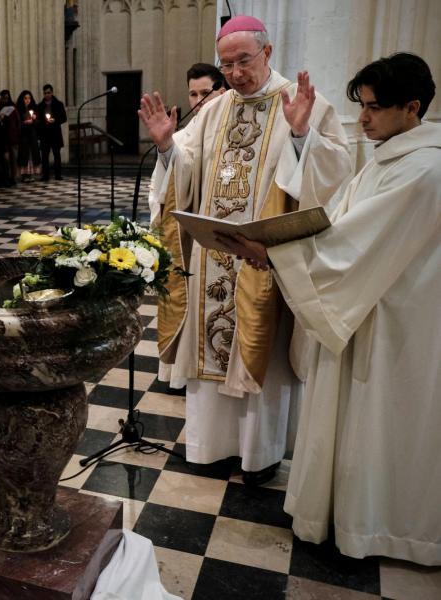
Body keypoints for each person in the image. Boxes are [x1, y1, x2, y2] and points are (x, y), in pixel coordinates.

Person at [219, 52, 440, 566]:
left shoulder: (422, 170)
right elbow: (337, 223)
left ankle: (380, 527)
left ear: (412, 107)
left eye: (373, 108)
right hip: (364, 308)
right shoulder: (393, 157)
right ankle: (341, 513)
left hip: (392, 325)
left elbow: (354, 247)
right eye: (361, 106)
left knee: (380, 422)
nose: (362, 119)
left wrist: (273, 253)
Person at [138, 15, 351, 485]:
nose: (234, 72)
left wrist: (300, 136)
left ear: (268, 53)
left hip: (265, 259)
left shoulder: (300, 104)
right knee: (210, 350)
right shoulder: (215, 108)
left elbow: (337, 169)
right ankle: (209, 447)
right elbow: (187, 165)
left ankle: (260, 455)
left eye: (243, 61)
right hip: (213, 255)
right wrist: (167, 148)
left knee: (261, 351)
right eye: (226, 63)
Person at [148, 63, 225, 221]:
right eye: (193, 94)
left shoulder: (235, 133)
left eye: (205, 93)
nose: (199, 100)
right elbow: (163, 186)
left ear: (222, 93)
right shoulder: (178, 139)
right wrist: (165, 146)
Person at [37, 84, 68, 181]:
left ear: (52, 92)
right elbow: (38, 120)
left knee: (56, 155)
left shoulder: (58, 104)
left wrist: (55, 120)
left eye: (49, 92)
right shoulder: (40, 106)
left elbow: (64, 118)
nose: (47, 95)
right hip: (45, 134)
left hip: (55, 133)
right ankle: (45, 175)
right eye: (45, 93)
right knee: (45, 156)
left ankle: (58, 175)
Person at [15, 90, 41, 182]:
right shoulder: (19, 108)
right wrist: (24, 123)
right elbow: (17, 123)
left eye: (29, 98)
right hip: (24, 136)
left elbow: (38, 122)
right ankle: (24, 175)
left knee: (31, 154)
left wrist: (34, 119)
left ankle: (30, 174)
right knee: (24, 155)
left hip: (32, 135)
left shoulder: (34, 107)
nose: (27, 100)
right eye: (25, 98)